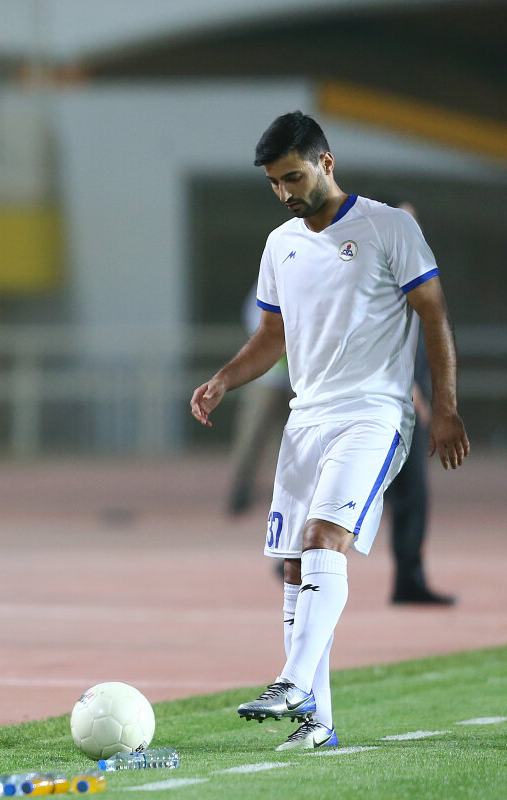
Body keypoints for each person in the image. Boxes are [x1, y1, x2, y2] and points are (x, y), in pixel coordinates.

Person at [190, 111, 469, 751]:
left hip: (374, 414)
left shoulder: (389, 227)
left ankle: (293, 681)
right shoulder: (280, 244)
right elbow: (272, 336)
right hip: (306, 419)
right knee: (295, 564)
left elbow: (434, 316)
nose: (284, 192)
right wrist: (226, 379)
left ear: (326, 162)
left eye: (293, 177)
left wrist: (446, 407)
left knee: (324, 538)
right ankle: (317, 725)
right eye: (274, 183)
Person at [384, 203, 456, 605]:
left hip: (407, 403)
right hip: (386, 403)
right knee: (361, 490)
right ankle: (299, 555)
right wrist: (409, 389)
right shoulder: (378, 272)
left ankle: (408, 580)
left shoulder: (416, 269)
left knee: (410, 495)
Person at [225, 282, 293, 517]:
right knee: (251, 435)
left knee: (292, 443)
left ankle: (287, 497)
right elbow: (258, 325)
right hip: (266, 379)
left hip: (297, 380)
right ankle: (240, 493)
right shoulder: (266, 286)